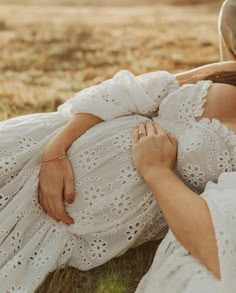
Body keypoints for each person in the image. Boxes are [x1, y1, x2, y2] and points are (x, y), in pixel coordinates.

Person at [0, 61, 235, 292]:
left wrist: (156, 169)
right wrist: (54, 152)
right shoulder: (232, 73)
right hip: (40, 152)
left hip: (81, 224)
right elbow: (129, 92)